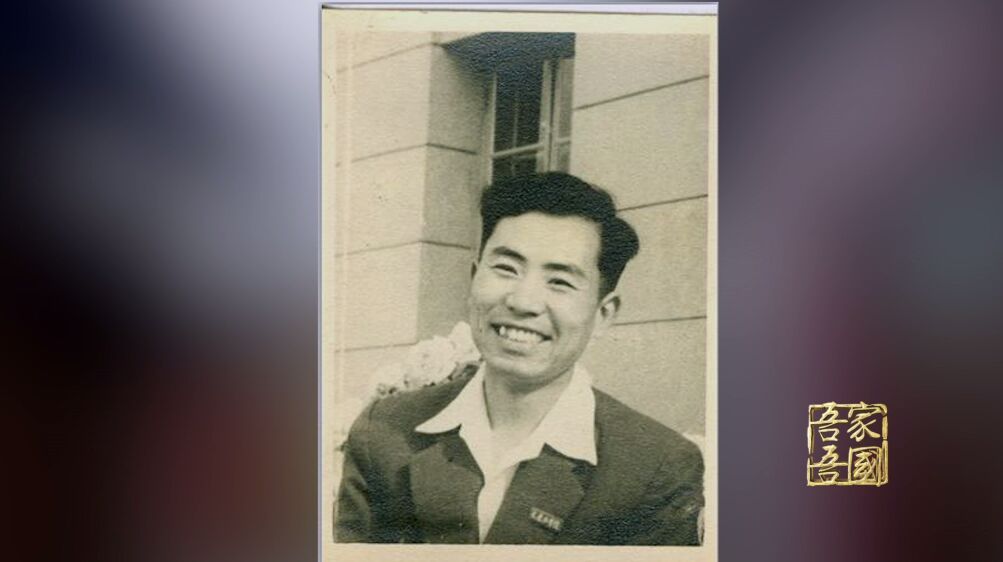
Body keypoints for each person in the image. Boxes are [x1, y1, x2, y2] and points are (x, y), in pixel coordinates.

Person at [335, 172, 703, 545]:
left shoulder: (656, 467)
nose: (523, 302)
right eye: (506, 269)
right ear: (474, 278)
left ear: (603, 314)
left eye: (560, 281)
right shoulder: (385, 430)